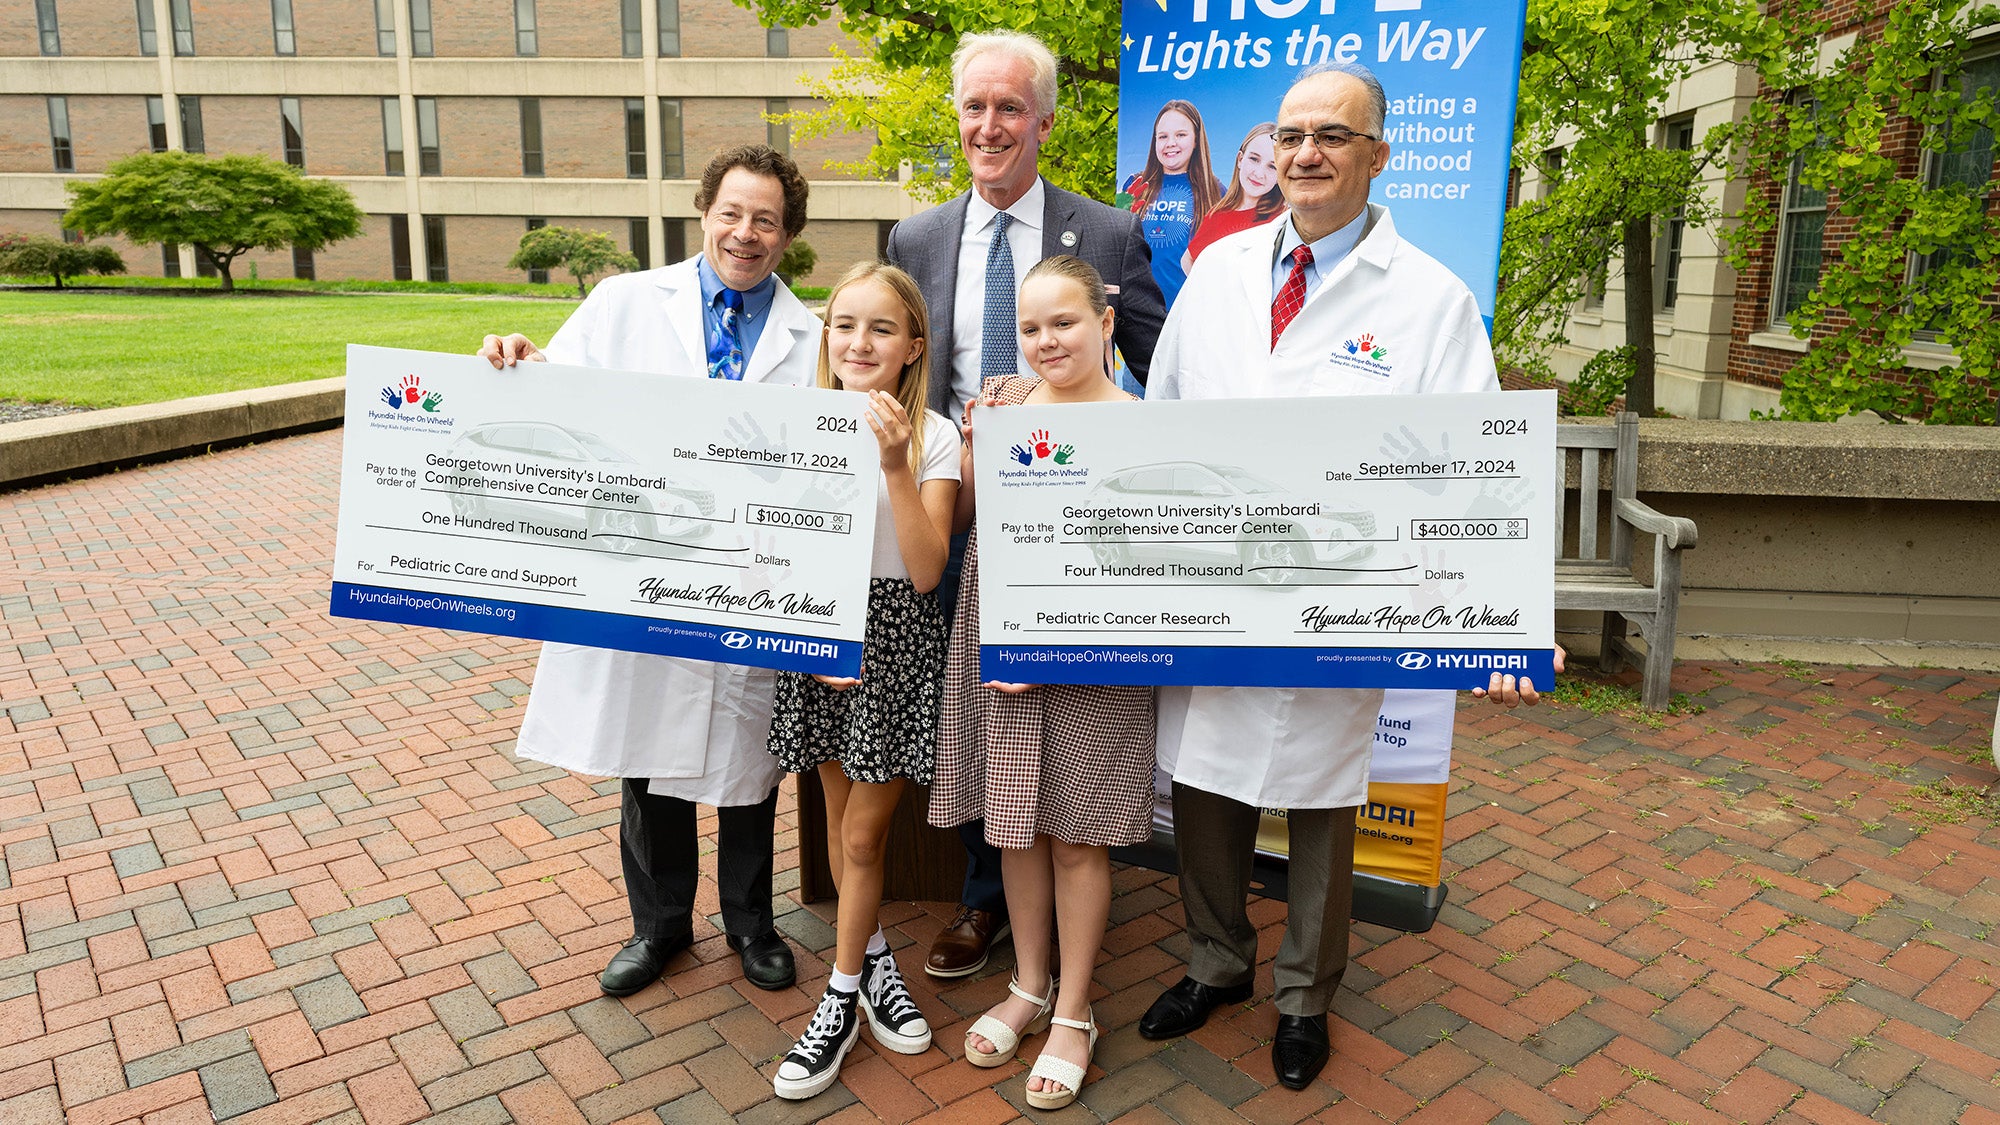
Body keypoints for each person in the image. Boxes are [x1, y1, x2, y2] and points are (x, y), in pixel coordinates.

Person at [1138, 63, 1559, 1091]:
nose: (1305, 154)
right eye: (1289, 136)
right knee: (1202, 783)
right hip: (1217, 587)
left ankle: (1302, 996)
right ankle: (1213, 960)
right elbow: (1159, 418)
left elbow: (1472, 469)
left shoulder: (1428, 301)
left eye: (1332, 135)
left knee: (1321, 798)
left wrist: (1501, 619)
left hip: (1341, 594)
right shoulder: (1221, 274)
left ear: (1376, 156)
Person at [475, 145, 817, 1000]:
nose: (746, 233)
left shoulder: (810, 337)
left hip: (749, 576)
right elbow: (562, 401)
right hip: (642, 573)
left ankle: (750, 924)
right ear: (702, 211)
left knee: (750, 762)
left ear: (788, 236)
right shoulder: (624, 303)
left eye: (766, 220)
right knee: (649, 758)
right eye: (732, 212)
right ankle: (658, 927)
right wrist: (521, 363)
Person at [884, 28, 1167, 983]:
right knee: (979, 720)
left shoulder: (1111, 235)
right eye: (974, 106)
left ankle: (1066, 928)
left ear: (1043, 121)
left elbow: (1165, 372)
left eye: (1010, 107)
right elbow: (885, 358)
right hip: (957, 513)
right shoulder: (915, 237)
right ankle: (985, 905)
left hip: (1078, 535)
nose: (990, 124)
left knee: (1072, 727)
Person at [930, 256, 1154, 1112]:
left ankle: (1072, 1009)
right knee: (1016, 823)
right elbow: (969, 522)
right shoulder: (1002, 401)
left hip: (1094, 657)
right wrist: (979, 449)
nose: (1045, 341)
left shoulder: (1140, 421)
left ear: (1105, 319)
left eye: (1063, 322)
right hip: (1001, 635)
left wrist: (1059, 649)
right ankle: (1026, 983)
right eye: (1030, 327)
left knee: (1076, 835)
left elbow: (1144, 566)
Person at [766, 263, 960, 1099]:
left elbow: (925, 571)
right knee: (843, 823)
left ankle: (838, 1000)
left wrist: (892, 463)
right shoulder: (793, 423)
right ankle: (874, 958)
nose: (860, 342)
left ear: (914, 345)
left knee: (862, 839)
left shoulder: (939, 435)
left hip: (894, 640)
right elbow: (769, 548)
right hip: (819, 633)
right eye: (845, 324)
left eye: (883, 328)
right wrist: (812, 642)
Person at [1121, 99, 1222, 308]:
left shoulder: (1216, 191)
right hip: (1137, 312)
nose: (1170, 143)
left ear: (1196, 140)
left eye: (1181, 135)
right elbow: (1117, 247)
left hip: (1189, 312)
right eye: (1163, 136)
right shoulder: (1134, 185)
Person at [1183, 122, 1283, 269]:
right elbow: (1187, 260)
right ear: (1240, 159)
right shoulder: (1216, 215)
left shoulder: (1282, 219)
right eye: (1254, 159)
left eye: (1272, 166)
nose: (1259, 173)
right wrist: (1206, 290)